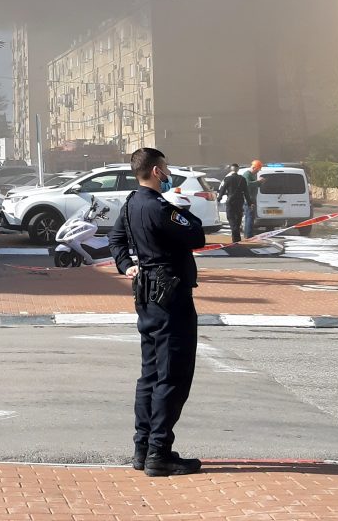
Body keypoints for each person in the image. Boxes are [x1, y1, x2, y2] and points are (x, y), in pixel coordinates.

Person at [109, 147, 205, 477]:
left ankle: (143, 448)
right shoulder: (158, 207)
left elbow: (116, 239)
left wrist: (127, 265)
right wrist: (179, 207)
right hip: (170, 299)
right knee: (172, 375)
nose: (168, 173)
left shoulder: (131, 204)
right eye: (165, 168)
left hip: (148, 296)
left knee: (150, 374)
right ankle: (159, 452)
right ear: (155, 171)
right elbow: (197, 234)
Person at [217, 164, 249, 243]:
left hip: (230, 201)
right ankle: (237, 236)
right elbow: (246, 192)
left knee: (230, 217)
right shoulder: (242, 179)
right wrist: (249, 202)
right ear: (238, 169)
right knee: (238, 217)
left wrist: (219, 199)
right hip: (240, 201)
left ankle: (234, 232)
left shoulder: (227, 179)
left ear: (231, 169)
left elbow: (223, 189)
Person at [243, 160, 264, 235]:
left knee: (251, 217)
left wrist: (260, 182)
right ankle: (249, 235)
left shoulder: (252, 175)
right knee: (250, 217)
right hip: (249, 199)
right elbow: (247, 185)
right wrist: (258, 182)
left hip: (252, 198)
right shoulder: (247, 174)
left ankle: (248, 234)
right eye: (257, 170)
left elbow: (254, 185)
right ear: (254, 168)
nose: (258, 171)